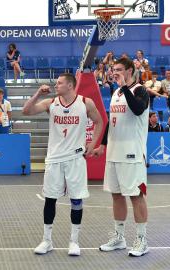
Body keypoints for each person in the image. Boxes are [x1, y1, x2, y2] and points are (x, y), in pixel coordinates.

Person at [22, 73, 103, 256]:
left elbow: (99, 121)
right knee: (50, 199)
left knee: (76, 199)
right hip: (54, 159)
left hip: (75, 158)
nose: (55, 85)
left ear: (70, 85)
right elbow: (26, 111)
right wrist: (37, 94)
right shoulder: (51, 103)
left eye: (59, 83)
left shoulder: (85, 102)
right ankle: (47, 240)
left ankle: (74, 241)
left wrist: (93, 143)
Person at [93, 57, 150, 257]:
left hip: (133, 154)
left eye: (118, 69)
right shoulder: (116, 92)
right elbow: (112, 121)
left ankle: (142, 240)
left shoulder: (139, 90)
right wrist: (102, 145)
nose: (114, 72)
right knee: (116, 196)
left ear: (129, 70)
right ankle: (119, 237)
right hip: (113, 153)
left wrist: (125, 87)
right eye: (113, 69)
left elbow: (137, 109)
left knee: (136, 196)